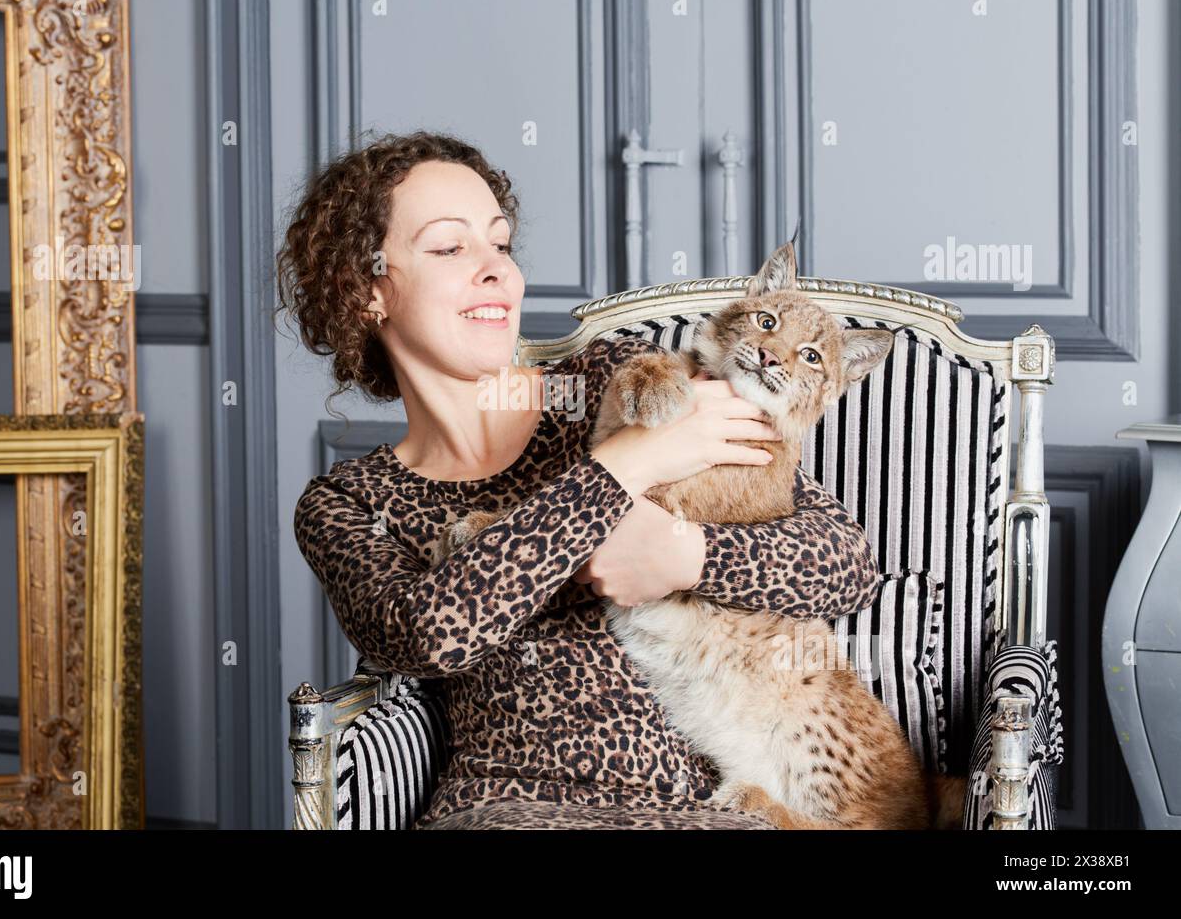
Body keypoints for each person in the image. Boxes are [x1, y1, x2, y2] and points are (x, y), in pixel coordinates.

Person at [277, 130, 883, 829]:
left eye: (501, 244)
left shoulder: (614, 381)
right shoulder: (351, 504)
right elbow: (432, 633)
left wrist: (686, 555)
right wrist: (630, 462)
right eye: (450, 247)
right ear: (365, 293)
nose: (497, 270)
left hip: (698, 810)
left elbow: (843, 563)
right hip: (506, 808)